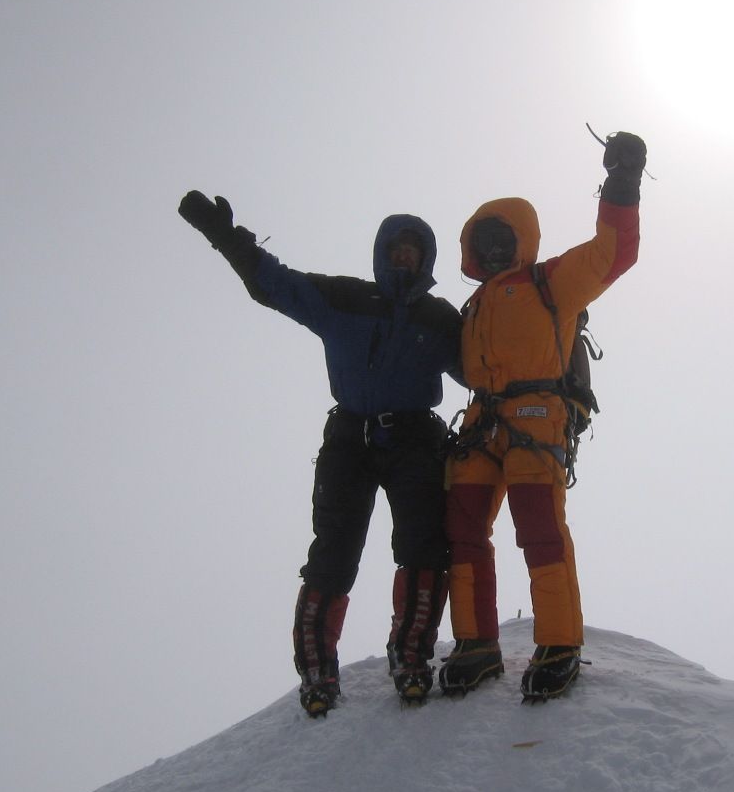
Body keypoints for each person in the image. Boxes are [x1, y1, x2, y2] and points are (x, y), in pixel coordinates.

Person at [178, 192, 462, 715]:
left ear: (426, 260)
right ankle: (317, 671)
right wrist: (225, 236)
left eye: (414, 250)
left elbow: (490, 362)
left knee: (424, 547)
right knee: (333, 554)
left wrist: (550, 352)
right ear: (382, 254)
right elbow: (276, 284)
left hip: (415, 440)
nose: (404, 256)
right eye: (396, 248)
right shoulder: (345, 297)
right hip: (350, 439)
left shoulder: (441, 319)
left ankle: (411, 657)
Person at [438, 131, 647, 700]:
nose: (493, 250)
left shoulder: (549, 281)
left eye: (502, 238)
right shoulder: (473, 307)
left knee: (539, 530)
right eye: (484, 242)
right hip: (480, 425)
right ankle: (476, 643)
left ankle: (558, 644)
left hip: (534, 418)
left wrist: (622, 180)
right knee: (463, 533)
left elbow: (613, 252)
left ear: (522, 240)